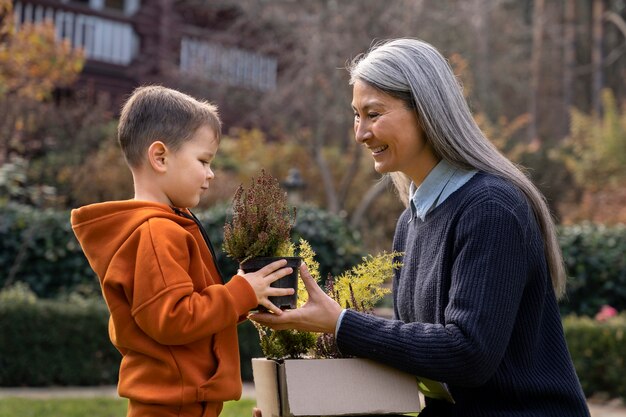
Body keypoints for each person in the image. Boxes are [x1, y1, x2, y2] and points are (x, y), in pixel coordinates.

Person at [251, 39, 591, 417]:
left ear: (426, 111)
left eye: (374, 114)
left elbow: (468, 353)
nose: (360, 133)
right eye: (356, 115)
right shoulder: (412, 219)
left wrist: (341, 323)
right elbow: (425, 358)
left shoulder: (491, 208)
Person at [71, 85, 294, 417]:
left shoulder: (168, 224)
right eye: (203, 160)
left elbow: (191, 314)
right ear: (160, 157)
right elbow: (173, 318)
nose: (210, 174)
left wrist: (246, 298)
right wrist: (238, 293)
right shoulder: (156, 232)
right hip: (172, 408)